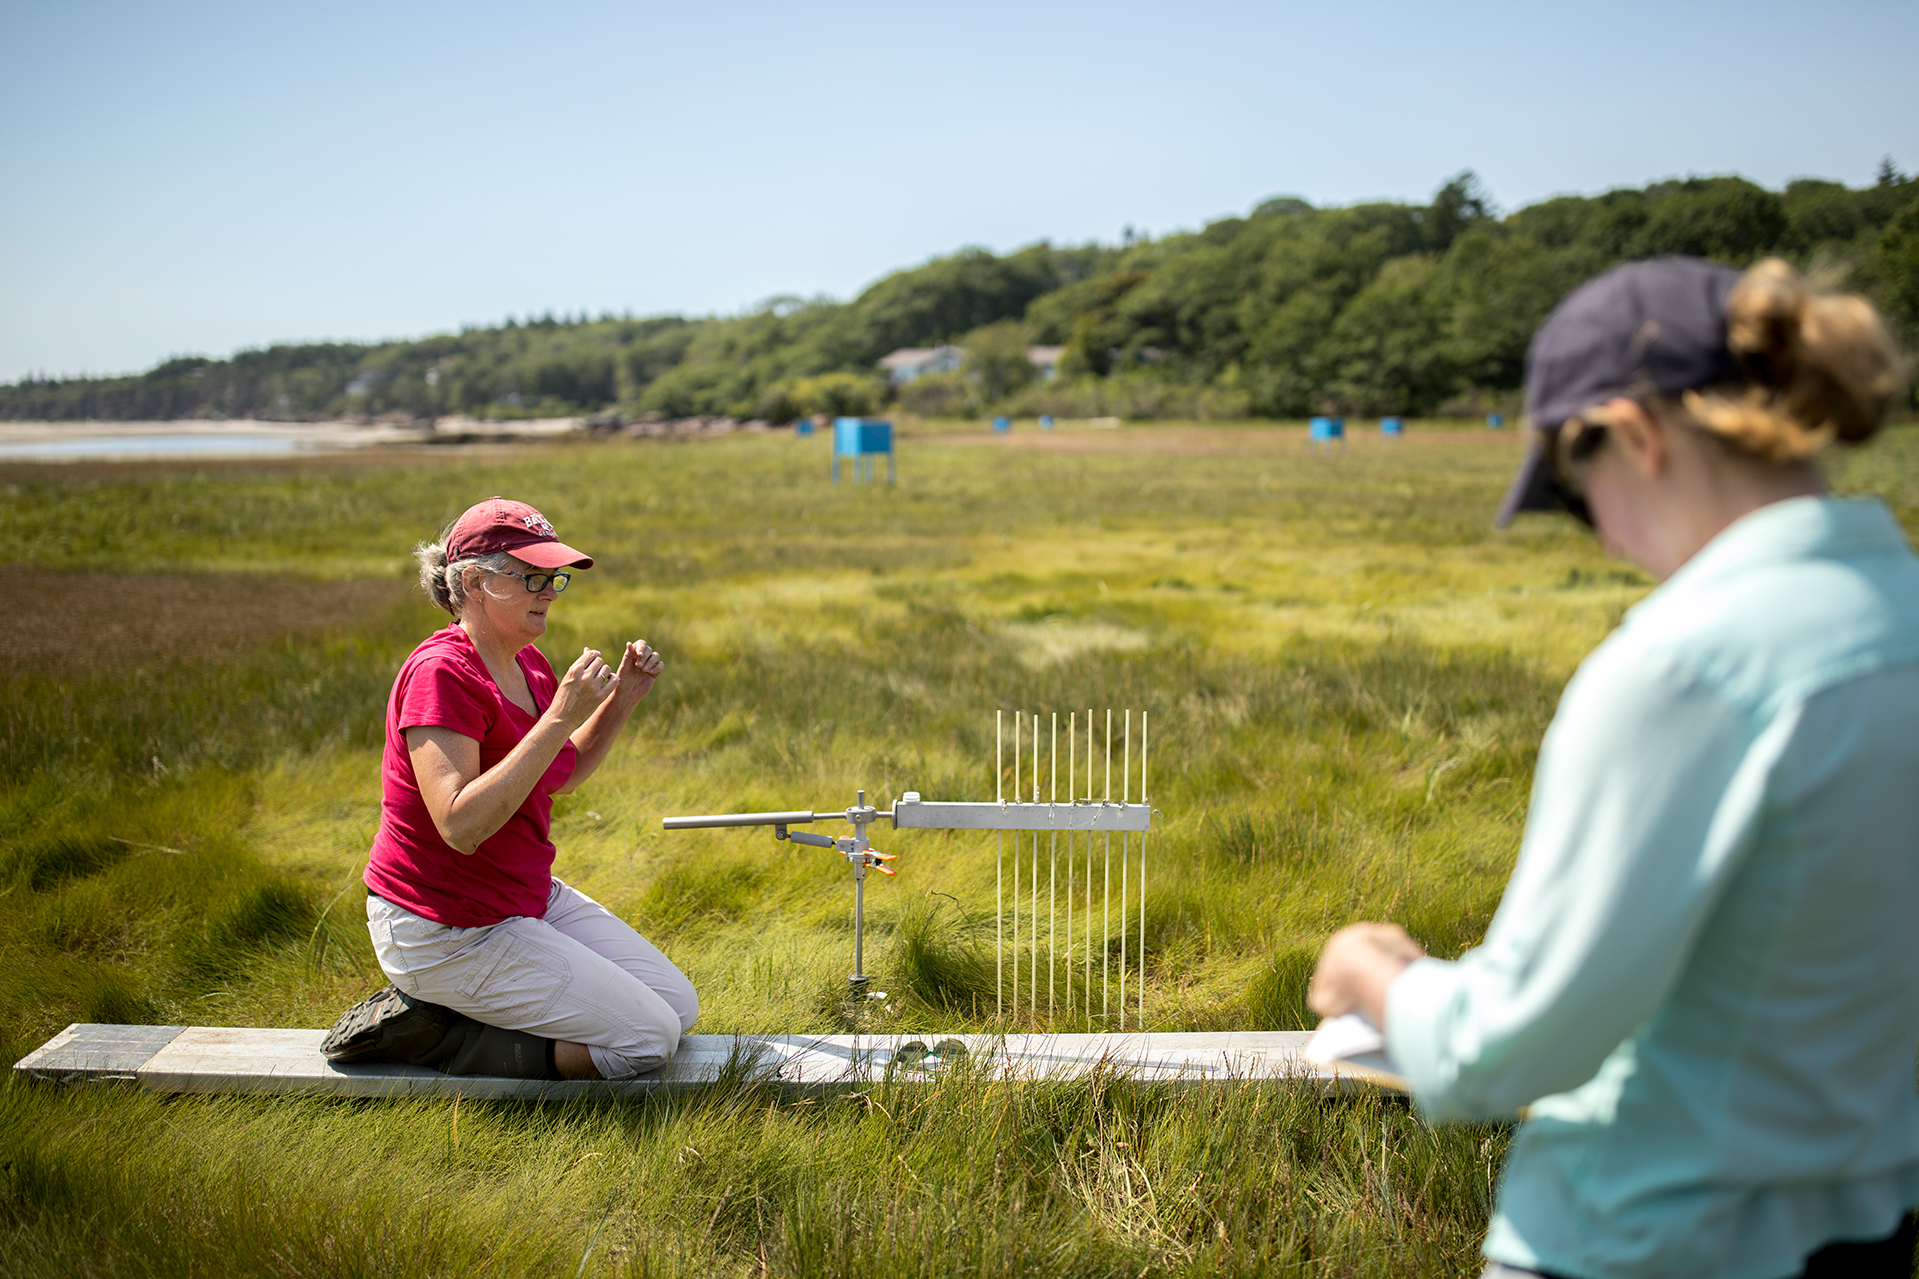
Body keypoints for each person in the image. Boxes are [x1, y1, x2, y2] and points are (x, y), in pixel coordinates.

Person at [1308, 257, 1917, 1278]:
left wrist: (1377, 975)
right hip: (1866, 1234)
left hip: (1642, 1239)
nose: (1606, 543)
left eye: (1578, 498)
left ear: (1632, 435)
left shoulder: (1681, 665)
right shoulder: (1896, 616)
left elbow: (1509, 1051)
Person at [322, 496, 697, 1081]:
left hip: (519, 898)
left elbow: (562, 772)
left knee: (678, 1009)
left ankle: (482, 1010)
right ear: (474, 581)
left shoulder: (531, 666)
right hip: (443, 927)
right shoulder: (441, 673)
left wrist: (622, 699)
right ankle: (440, 1038)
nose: (549, 590)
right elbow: (460, 825)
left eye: (555, 578)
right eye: (531, 577)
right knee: (648, 1042)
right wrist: (559, 717)